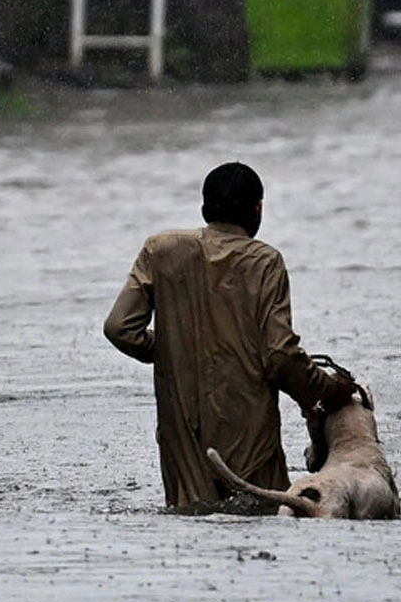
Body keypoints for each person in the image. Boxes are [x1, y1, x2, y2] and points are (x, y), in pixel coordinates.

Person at [103, 161, 358, 511]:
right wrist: (329, 389)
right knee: (262, 517)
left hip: (183, 441)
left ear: (205, 207)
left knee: (191, 523)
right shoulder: (265, 262)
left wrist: (170, 349)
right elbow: (281, 357)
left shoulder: (160, 250)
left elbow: (119, 327)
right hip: (250, 441)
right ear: (257, 209)